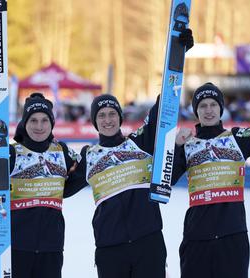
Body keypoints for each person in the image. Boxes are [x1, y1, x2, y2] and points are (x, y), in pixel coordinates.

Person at [65, 27, 194, 278]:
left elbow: (164, 104)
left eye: (112, 113)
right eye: (101, 115)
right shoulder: (89, 157)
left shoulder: (140, 142)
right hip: (110, 250)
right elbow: (60, 188)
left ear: (120, 117)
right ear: (94, 122)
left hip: (149, 243)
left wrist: (178, 58)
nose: (107, 119)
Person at [173, 74, 250, 278]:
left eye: (213, 104)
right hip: (196, 237)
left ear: (221, 108)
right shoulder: (188, 144)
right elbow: (165, 181)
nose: (208, 110)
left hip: (232, 236)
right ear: (196, 111)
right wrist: (176, 146)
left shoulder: (237, 138)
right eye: (203, 105)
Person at [0, 92, 86, 278]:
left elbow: (68, 188)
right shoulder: (10, 152)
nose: (39, 126)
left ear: (52, 123)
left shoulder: (62, 151)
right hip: (17, 247)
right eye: (33, 120)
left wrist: (87, 160)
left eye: (44, 120)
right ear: (25, 123)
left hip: (52, 248)